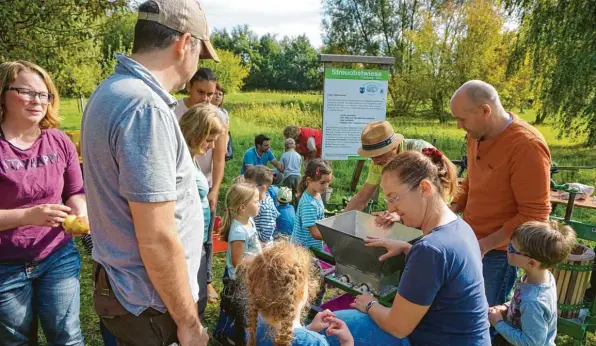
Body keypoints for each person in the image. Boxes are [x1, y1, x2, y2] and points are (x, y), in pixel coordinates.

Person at [81, 1, 218, 344]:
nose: (197, 65)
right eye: (200, 53)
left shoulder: (111, 91)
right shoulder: (145, 108)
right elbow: (156, 237)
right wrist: (188, 322)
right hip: (152, 307)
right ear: (185, 43)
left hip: (126, 293)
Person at [331, 149, 491, 346]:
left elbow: (398, 327)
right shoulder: (459, 227)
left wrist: (370, 304)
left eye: (395, 198)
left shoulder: (430, 250)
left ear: (424, 188)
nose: (390, 209)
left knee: (336, 325)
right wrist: (408, 248)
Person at [0, 60, 87, 345]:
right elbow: (30, 214)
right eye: (26, 92)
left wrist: (80, 213)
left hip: (57, 256)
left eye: (44, 94)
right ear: (3, 93)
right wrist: (28, 216)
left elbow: (76, 191)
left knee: (67, 337)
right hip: (5, 265)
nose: (38, 101)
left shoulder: (59, 141)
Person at [449, 80, 551, 308]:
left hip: (498, 254)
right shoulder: (476, 134)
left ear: (486, 110)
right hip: (470, 239)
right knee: (461, 308)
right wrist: (450, 209)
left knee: (484, 315)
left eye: (462, 119)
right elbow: (471, 181)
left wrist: (485, 245)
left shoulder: (526, 146)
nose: (458, 126)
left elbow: (535, 214)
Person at [176, 68, 228, 305]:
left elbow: (219, 158)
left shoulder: (217, 117)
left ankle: (204, 280)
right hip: (187, 185)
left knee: (207, 238)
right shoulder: (174, 111)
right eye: (201, 92)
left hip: (202, 182)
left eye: (211, 94)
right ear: (189, 86)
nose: (207, 99)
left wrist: (214, 190)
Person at [246, 241, 355, 346]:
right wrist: (347, 343)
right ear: (301, 291)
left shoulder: (255, 327)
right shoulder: (314, 343)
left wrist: (308, 329)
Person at [489, 221, 576, 346]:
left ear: (532, 263)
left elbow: (531, 343)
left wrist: (498, 323)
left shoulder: (534, 301)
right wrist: (508, 307)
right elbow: (521, 300)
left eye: (512, 248)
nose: (507, 249)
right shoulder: (540, 277)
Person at [344, 121, 434, 220]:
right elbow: (362, 197)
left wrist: (398, 214)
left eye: (379, 155)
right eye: (371, 157)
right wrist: (339, 222)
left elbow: (431, 193)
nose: (375, 162)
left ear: (394, 147)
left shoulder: (420, 150)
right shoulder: (378, 163)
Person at [215, 182, 262, 346]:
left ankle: (239, 334)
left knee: (244, 308)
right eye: (256, 201)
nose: (259, 203)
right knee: (231, 309)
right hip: (236, 280)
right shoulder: (239, 231)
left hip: (247, 276)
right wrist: (260, 260)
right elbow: (237, 261)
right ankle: (221, 334)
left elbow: (254, 246)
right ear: (242, 208)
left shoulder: (249, 222)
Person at [291, 159, 333, 252]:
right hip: (304, 249)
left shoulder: (316, 194)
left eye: (328, 182)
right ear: (309, 180)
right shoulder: (308, 204)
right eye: (322, 182)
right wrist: (335, 237)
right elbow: (315, 233)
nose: (326, 186)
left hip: (312, 246)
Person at [244, 166, 280, 244]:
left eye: (249, 185)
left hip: (261, 248)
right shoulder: (258, 199)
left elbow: (265, 235)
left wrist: (247, 236)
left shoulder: (265, 207)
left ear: (262, 188)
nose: (245, 188)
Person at [211, 82, 233, 161]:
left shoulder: (224, 112)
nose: (218, 96)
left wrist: (225, 145)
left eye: (220, 94)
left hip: (221, 143)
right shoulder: (205, 110)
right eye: (215, 93)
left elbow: (226, 131)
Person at [279, 138, 303, 202]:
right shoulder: (298, 155)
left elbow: (281, 168)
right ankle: (298, 209)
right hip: (298, 176)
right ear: (294, 146)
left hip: (288, 176)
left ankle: (289, 208)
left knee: (287, 195)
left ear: (286, 146)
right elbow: (299, 167)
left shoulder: (284, 155)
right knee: (298, 194)